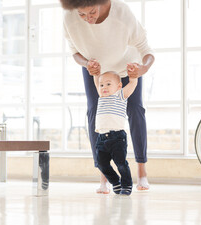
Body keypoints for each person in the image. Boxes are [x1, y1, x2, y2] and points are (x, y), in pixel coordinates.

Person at [60, 0, 155, 193]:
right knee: (94, 112)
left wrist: (142, 69)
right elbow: (74, 52)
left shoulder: (121, 13)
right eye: (82, 15)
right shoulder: (69, 19)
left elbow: (147, 51)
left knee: (135, 110)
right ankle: (104, 177)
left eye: (92, 12)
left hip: (128, 67)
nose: (88, 19)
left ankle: (142, 172)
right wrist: (86, 63)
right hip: (96, 71)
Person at [93, 67, 138, 195]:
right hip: (101, 138)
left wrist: (133, 77)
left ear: (118, 86)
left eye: (108, 84)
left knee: (121, 164)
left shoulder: (120, 95)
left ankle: (127, 185)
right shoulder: (101, 96)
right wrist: (96, 74)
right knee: (102, 165)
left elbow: (133, 84)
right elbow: (96, 81)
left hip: (117, 137)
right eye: (102, 85)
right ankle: (115, 182)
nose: (103, 87)